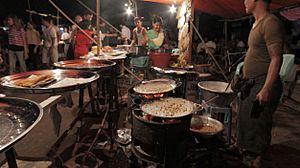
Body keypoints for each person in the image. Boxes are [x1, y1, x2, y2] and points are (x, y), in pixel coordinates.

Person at [235, 0, 284, 167]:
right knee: (246, 119)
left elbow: (276, 58)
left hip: (263, 83)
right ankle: (246, 153)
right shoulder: (256, 23)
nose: (244, 2)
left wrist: (267, 89)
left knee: (258, 124)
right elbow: (254, 51)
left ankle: (257, 160)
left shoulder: (271, 22)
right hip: (250, 82)